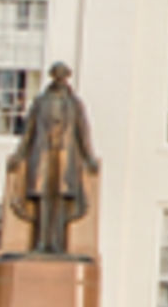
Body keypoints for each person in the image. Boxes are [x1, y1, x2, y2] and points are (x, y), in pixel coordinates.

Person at [9, 64, 100, 256]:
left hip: (65, 156)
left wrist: (89, 156)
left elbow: (82, 132)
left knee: (60, 198)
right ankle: (41, 242)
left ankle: (58, 243)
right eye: (57, 76)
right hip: (43, 153)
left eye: (63, 77)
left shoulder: (74, 104)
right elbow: (28, 131)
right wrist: (19, 154)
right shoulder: (40, 102)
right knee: (43, 198)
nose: (60, 80)